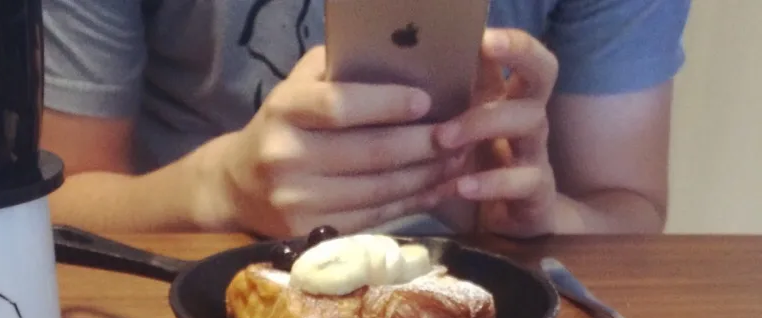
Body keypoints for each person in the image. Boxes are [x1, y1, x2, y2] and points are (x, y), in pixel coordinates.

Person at [40, 0, 691, 238]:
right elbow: (57, 204)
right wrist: (221, 188)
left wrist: (548, 219)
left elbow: (629, 209)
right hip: (191, 312)